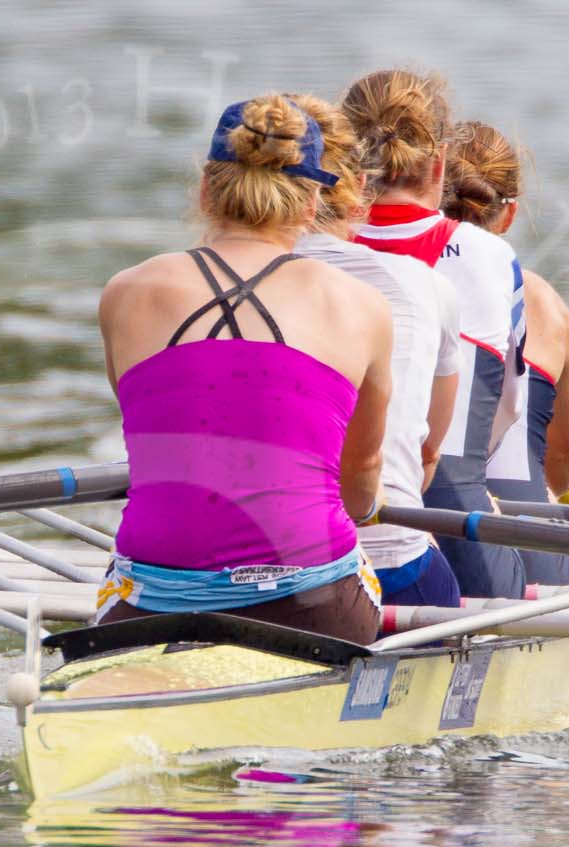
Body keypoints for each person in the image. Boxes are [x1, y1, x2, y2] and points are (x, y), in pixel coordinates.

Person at [94, 95, 393, 644]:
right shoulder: (361, 305)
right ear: (311, 205)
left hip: (156, 596)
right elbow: (361, 472)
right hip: (312, 602)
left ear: (207, 192)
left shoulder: (125, 292)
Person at [343, 69, 527, 600]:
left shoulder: (314, 247)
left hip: (319, 525)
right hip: (452, 524)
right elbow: (507, 412)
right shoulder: (491, 254)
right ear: (440, 163)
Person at [287, 93, 465, 609]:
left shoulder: (222, 282)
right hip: (388, 557)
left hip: (251, 560)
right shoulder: (423, 284)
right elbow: (428, 453)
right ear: (360, 188)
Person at [446, 121, 569, 585]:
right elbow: (565, 466)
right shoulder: (547, 303)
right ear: (507, 216)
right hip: (535, 554)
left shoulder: (391, 283)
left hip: (426, 530)